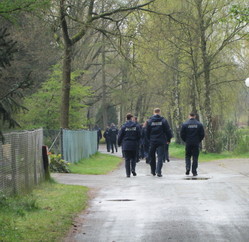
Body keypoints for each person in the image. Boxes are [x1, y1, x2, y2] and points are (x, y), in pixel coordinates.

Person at [147, 108, 173, 177]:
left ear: (154, 112)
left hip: (152, 141)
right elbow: (168, 130)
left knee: (152, 156)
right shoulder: (163, 120)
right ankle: (159, 171)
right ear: (159, 112)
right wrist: (168, 139)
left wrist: (148, 140)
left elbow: (147, 132)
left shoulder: (150, 121)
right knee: (160, 156)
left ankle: (153, 171)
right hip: (161, 141)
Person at [118, 113, 141, 177]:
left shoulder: (124, 126)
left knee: (127, 159)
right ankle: (133, 169)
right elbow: (139, 135)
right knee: (133, 158)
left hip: (126, 144)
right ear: (131, 118)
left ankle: (128, 173)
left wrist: (119, 143)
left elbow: (120, 136)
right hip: (134, 144)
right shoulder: (136, 126)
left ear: (126, 118)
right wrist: (137, 141)